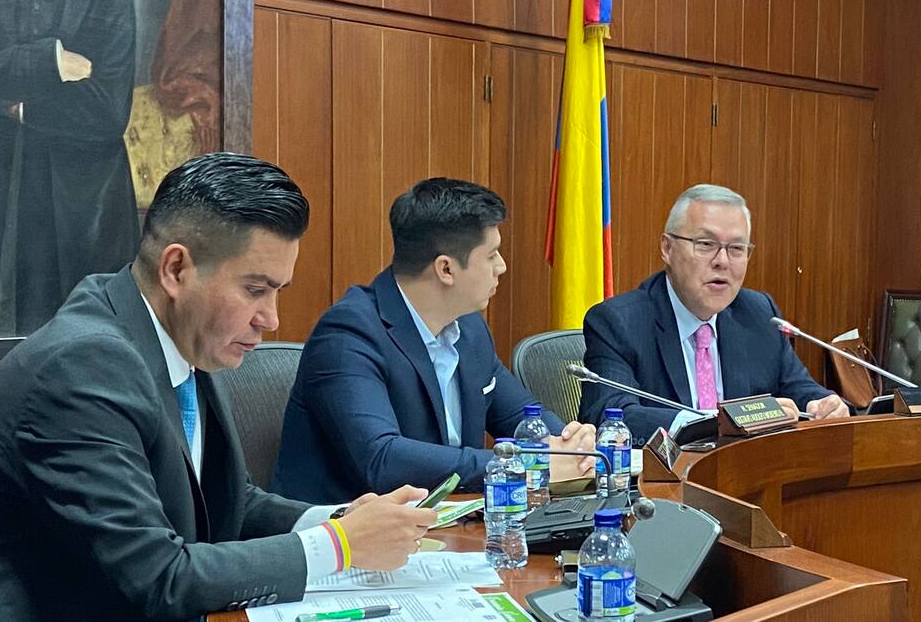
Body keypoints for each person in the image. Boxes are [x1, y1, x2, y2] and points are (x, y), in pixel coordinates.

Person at [0, 153, 436, 621]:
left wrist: (340, 521)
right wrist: (339, 546)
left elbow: (227, 499)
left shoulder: (176, 334)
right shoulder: (82, 367)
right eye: (255, 290)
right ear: (176, 270)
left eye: (277, 291)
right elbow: (159, 578)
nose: (271, 319)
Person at [272, 178, 596, 504]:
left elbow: (522, 416)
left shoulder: (469, 329)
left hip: (450, 524)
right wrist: (524, 463)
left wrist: (569, 444)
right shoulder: (348, 335)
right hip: (353, 529)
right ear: (446, 269)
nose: (502, 267)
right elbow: (383, 458)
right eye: (492, 255)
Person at [579, 184, 849, 443]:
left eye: (736, 248)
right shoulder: (619, 322)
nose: (722, 261)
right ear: (667, 248)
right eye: (706, 244)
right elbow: (611, 415)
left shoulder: (759, 314)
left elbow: (799, 389)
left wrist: (822, 404)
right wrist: (713, 424)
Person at [0, 0, 140, 336]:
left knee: (73, 335)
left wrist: (22, 107)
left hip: (80, 198)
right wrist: (51, 60)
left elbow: (107, 112)